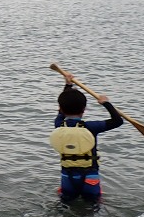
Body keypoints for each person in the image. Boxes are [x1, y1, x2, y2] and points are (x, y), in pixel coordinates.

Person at [50, 77, 124, 205]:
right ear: (84, 109)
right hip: (91, 178)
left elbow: (62, 110)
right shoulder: (91, 127)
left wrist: (68, 85)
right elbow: (118, 121)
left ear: (61, 108)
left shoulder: (59, 125)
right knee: (93, 208)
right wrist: (106, 103)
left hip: (67, 178)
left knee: (65, 205)